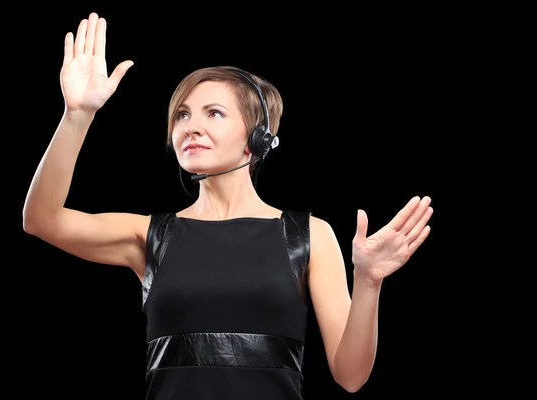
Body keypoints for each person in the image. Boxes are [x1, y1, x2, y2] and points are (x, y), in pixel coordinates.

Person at [22, 12, 434, 400]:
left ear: (258, 139)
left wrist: (368, 283)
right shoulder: (150, 235)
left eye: (214, 113)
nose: (190, 127)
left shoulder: (308, 235)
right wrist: (77, 115)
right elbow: (42, 220)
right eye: (181, 115)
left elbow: (350, 375)